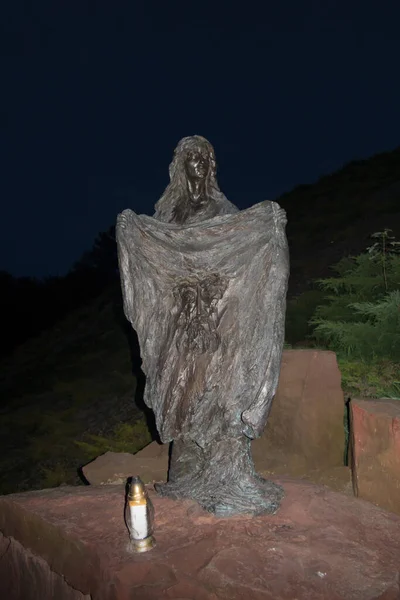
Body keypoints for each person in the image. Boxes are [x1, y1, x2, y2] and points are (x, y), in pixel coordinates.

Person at [116, 135, 289, 516]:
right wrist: (131, 230)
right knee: (184, 390)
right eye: (191, 156)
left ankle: (230, 477)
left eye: (204, 156)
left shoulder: (222, 208)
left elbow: (236, 251)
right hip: (180, 317)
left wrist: (269, 225)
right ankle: (189, 473)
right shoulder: (168, 215)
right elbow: (161, 260)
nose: (198, 161)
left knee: (223, 386)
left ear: (212, 165)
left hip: (216, 314)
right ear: (180, 165)